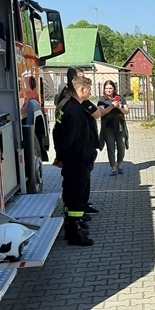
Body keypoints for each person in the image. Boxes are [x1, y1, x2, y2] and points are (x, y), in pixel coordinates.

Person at [52, 76, 98, 247]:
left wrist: (61, 156)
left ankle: (73, 225)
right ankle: (74, 232)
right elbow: (69, 138)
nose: (90, 93)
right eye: (89, 90)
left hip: (76, 159)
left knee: (71, 194)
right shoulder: (75, 110)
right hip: (77, 160)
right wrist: (62, 157)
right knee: (77, 194)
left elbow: (58, 133)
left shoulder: (70, 107)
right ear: (81, 90)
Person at [97, 81, 129, 176]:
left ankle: (119, 164)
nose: (108, 90)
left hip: (119, 126)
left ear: (114, 89)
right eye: (106, 88)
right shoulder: (102, 100)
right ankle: (113, 167)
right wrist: (111, 106)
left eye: (110, 88)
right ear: (104, 89)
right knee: (111, 148)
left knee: (121, 147)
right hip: (108, 127)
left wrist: (119, 107)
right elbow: (101, 112)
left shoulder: (120, 98)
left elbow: (126, 111)